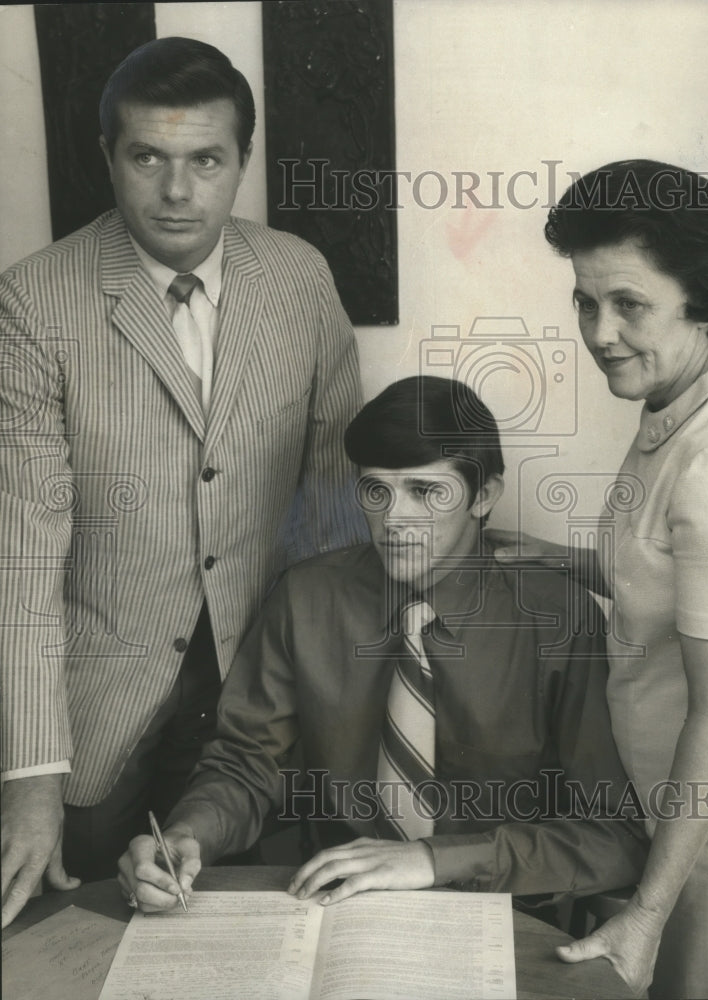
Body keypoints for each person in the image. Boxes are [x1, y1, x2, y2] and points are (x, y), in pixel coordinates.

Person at [0, 36, 364, 927]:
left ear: (242, 160)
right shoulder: (32, 302)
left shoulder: (299, 277)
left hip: (261, 707)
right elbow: (20, 560)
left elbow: (336, 515)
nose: (176, 191)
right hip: (94, 715)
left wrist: (336, 718)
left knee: (242, 944)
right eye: (148, 158)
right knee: (77, 947)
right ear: (107, 157)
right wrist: (31, 786)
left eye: (206, 160)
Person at [117, 375, 647, 916]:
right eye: (377, 490)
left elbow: (613, 833)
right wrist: (189, 833)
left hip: (500, 909)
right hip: (336, 905)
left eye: (425, 491)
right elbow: (245, 764)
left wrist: (432, 860)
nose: (393, 519)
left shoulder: (558, 616)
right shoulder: (307, 597)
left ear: (483, 496)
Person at [505, 160, 708, 998]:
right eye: (585, 301)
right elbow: (679, 585)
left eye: (628, 305)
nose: (599, 332)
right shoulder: (678, 397)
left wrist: (649, 910)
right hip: (679, 812)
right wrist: (557, 558)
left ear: (701, 296)